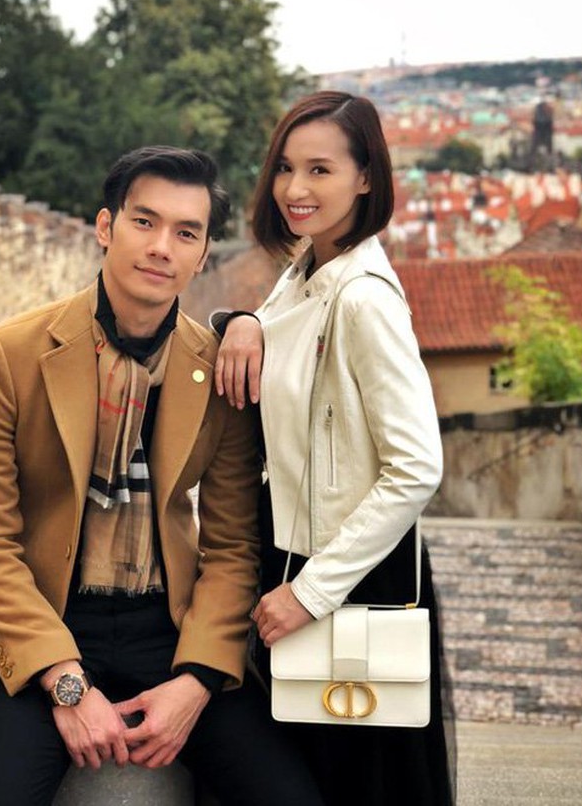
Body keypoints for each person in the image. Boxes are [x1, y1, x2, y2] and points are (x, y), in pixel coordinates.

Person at [0, 146, 325, 806]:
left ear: (203, 255)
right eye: (144, 221)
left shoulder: (219, 370)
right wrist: (65, 684)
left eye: (186, 233)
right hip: (50, 621)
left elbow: (232, 546)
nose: (160, 247)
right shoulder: (8, 355)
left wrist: (198, 680)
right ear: (106, 226)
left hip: (169, 628)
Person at [214, 93, 457, 806]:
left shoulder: (364, 297)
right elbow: (282, 333)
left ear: (365, 177)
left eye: (320, 169)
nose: (295, 188)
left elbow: (418, 465)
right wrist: (242, 321)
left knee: (352, 784)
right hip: (293, 558)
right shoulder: (308, 265)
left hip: (345, 579)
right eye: (286, 167)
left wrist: (311, 592)